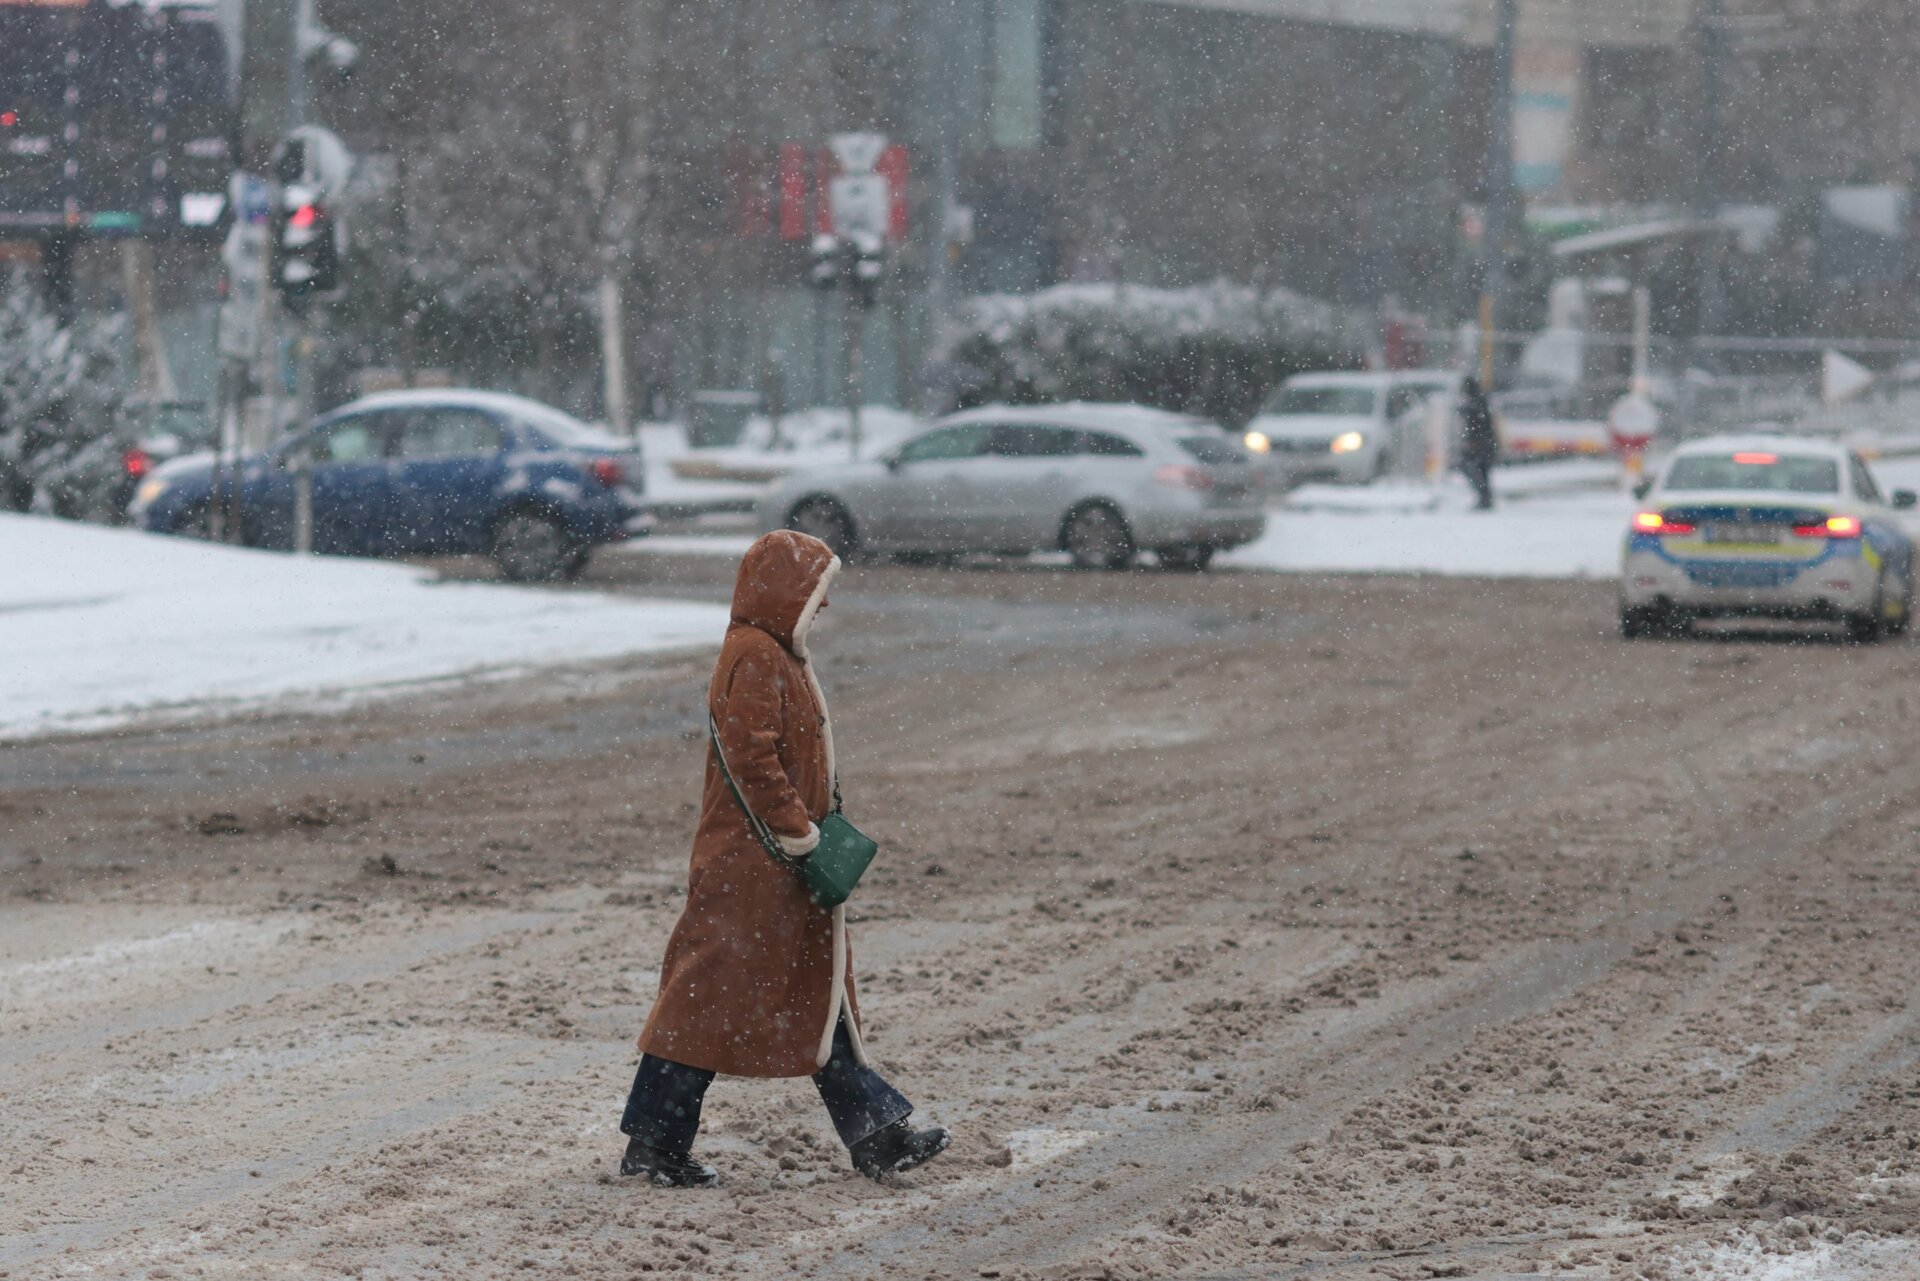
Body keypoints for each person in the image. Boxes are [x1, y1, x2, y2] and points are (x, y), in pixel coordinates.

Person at [619, 529, 950, 1187]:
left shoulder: (775, 652)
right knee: (705, 1001)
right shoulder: (755, 656)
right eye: (816, 591)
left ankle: (877, 1135)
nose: (823, 607)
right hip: (750, 869)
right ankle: (655, 1146)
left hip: (775, 869)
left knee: (818, 994)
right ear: (783, 590)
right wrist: (801, 833)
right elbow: (751, 757)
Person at [1459, 375, 1499, 511]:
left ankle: (1484, 498)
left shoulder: (1475, 404)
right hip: (1486, 444)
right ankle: (1485, 498)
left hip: (1480, 445)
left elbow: (1477, 425)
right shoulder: (1480, 401)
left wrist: (1473, 441)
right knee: (1482, 472)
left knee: (1473, 469)